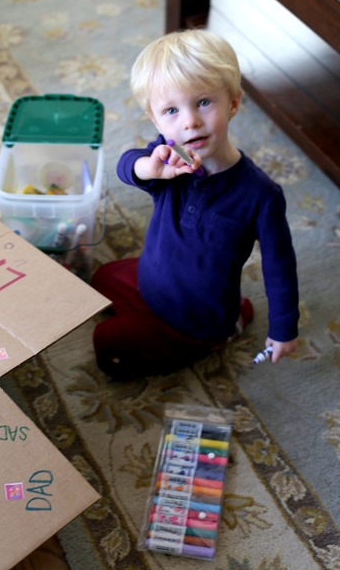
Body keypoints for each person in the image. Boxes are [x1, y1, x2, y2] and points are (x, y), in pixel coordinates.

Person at [91, 29, 299, 379]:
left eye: (203, 102)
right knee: (99, 277)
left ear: (233, 102)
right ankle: (233, 313)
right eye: (171, 110)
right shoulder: (169, 162)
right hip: (150, 281)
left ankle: (225, 329)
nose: (189, 121)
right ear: (156, 121)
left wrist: (284, 329)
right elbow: (128, 166)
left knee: (107, 344)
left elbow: (280, 267)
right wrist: (149, 166)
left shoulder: (261, 194)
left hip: (193, 320)